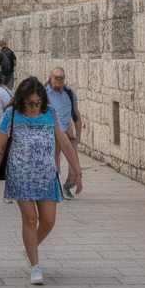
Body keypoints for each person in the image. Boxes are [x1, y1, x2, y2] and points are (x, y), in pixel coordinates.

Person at [0, 76, 84, 284]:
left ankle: (31, 247)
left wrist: (78, 171)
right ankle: (35, 266)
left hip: (46, 175)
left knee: (48, 221)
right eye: (29, 102)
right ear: (21, 99)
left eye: (37, 103)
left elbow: (65, 144)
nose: (33, 107)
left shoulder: (50, 114)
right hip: (20, 174)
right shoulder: (11, 115)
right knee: (30, 219)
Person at [48, 67, 84, 199]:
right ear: (50, 77)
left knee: (74, 162)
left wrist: (78, 133)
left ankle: (68, 185)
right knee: (55, 158)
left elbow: (76, 113)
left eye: (61, 78)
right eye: (56, 78)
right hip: (53, 129)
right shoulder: (45, 93)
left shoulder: (69, 92)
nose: (58, 81)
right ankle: (56, 187)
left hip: (67, 128)